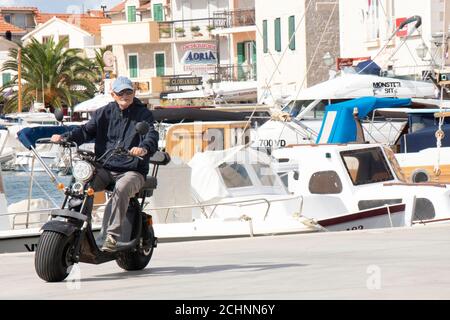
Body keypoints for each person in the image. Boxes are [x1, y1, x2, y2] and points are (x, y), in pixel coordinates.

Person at [51, 76, 159, 252]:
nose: (125, 95)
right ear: (113, 94)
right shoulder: (103, 113)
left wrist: (143, 148)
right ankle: (76, 225)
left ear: (134, 92)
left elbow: (151, 136)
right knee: (82, 182)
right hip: (105, 167)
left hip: (132, 169)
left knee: (122, 187)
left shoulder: (143, 114)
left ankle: (112, 237)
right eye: (121, 92)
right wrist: (65, 137)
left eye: (128, 91)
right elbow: (85, 131)